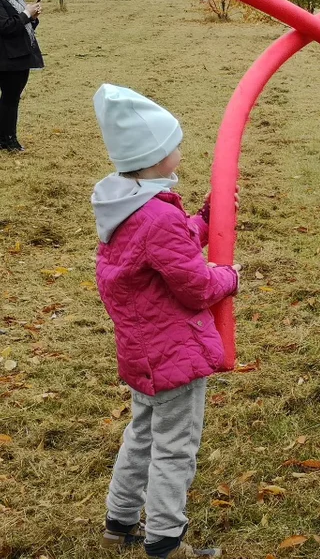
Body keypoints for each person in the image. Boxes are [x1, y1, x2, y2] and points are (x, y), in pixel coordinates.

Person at [92, 84, 240, 558]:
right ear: (156, 157)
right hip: (174, 352)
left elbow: (167, 247)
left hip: (143, 352)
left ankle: (119, 520)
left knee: (141, 434)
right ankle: (164, 541)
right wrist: (229, 279)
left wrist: (204, 219)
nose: (180, 150)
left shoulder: (128, 206)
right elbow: (196, 286)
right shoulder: (156, 217)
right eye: (174, 144)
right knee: (175, 446)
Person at [0, 0, 43, 152]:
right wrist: (26, 13)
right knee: (10, 100)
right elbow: (6, 27)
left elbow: (22, 26)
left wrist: (32, 18)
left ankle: (5, 138)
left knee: (9, 99)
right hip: (9, 58)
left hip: (18, 54)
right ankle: (9, 140)